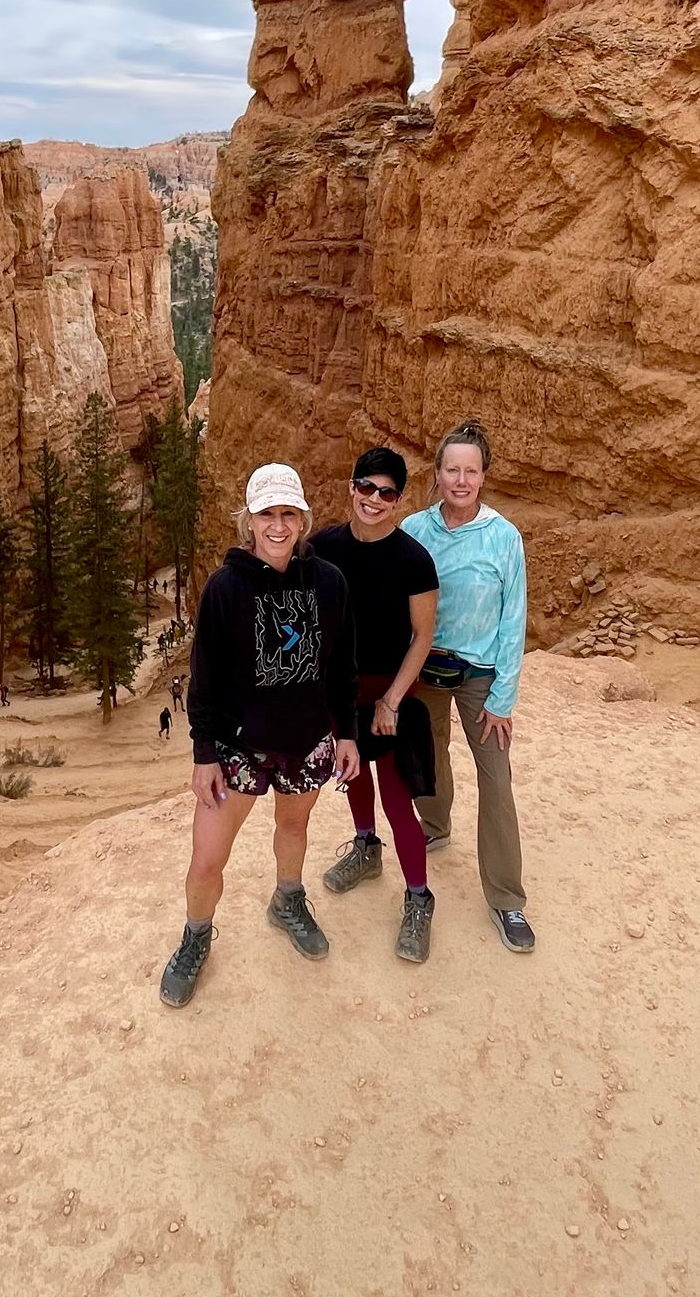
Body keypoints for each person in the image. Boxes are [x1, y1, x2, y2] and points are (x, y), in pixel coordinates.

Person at [159, 464, 359, 1008]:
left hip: (308, 738)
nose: (277, 525)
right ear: (248, 521)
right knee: (207, 858)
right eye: (266, 514)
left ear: (303, 519)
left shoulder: (329, 584)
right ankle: (196, 936)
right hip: (237, 747)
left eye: (287, 514)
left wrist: (347, 734)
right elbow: (205, 676)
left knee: (294, 827)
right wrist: (204, 754)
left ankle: (287, 900)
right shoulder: (226, 587)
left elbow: (342, 667)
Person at [402, 420, 534, 954]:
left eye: (470, 471)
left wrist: (503, 699)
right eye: (451, 470)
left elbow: (513, 620)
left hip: (480, 676)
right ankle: (435, 825)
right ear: (436, 475)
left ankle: (507, 898)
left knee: (496, 780)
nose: (461, 480)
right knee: (428, 753)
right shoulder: (415, 530)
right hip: (426, 668)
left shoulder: (504, 538)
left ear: (483, 477)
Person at [313, 448, 442, 963]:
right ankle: (366, 848)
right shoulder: (322, 547)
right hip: (341, 691)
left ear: (398, 499)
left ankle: (418, 897)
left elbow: (423, 634)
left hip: (391, 690)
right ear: (352, 486)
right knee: (353, 774)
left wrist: (392, 699)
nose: (374, 499)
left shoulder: (413, 559)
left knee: (396, 796)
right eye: (366, 487)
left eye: (387, 493)